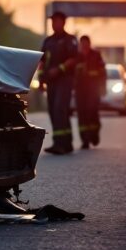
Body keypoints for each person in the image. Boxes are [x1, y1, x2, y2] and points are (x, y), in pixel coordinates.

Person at [38, 11, 78, 155]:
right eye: (53, 21)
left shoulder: (70, 40)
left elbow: (73, 59)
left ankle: (62, 143)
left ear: (64, 22)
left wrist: (60, 69)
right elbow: (42, 62)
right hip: (51, 82)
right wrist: (41, 80)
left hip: (65, 80)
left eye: (57, 21)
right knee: (53, 111)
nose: (54, 24)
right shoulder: (48, 41)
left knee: (59, 109)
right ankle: (63, 142)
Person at [74, 35, 106, 149]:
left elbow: (103, 72)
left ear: (89, 43)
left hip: (93, 89)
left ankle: (94, 135)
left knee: (92, 112)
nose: (84, 45)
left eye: (86, 43)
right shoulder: (76, 56)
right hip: (80, 90)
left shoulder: (96, 55)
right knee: (82, 115)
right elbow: (72, 73)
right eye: (82, 43)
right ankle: (85, 140)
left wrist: (102, 88)